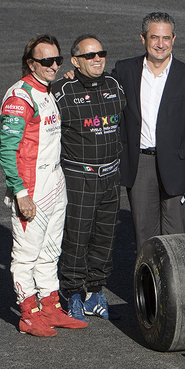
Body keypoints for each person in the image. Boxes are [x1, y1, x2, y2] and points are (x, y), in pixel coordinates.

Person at [0, 34, 87, 337]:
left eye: (57, 60)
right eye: (46, 61)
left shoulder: (48, 90)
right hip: (31, 187)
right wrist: (20, 193)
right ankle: (27, 314)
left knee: (50, 251)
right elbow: (6, 151)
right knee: (26, 255)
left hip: (55, 182)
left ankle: (50, 308)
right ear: (30, 63)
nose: (53, 66)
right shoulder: (19, 97)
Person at [114, 12, 185, 251]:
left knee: (177, 235)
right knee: (145, 236)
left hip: (178, 165)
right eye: (154, 37)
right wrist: (75, 77)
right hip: (140, 163)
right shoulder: (124, 71)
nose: (160, 44)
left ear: (174, 39)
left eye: (166, 38)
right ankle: (147, 287)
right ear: (143, 38)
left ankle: (174, 288)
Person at [52, 34, 126, 321]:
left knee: (105, 238)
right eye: (89, 56)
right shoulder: (62, 90)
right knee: (77, 238)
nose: (97, 59)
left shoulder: (114, 85)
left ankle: (95, 292)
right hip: (79, 177)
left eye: (100, 54)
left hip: (111, 175)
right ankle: (70, 293)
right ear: (75, 61)